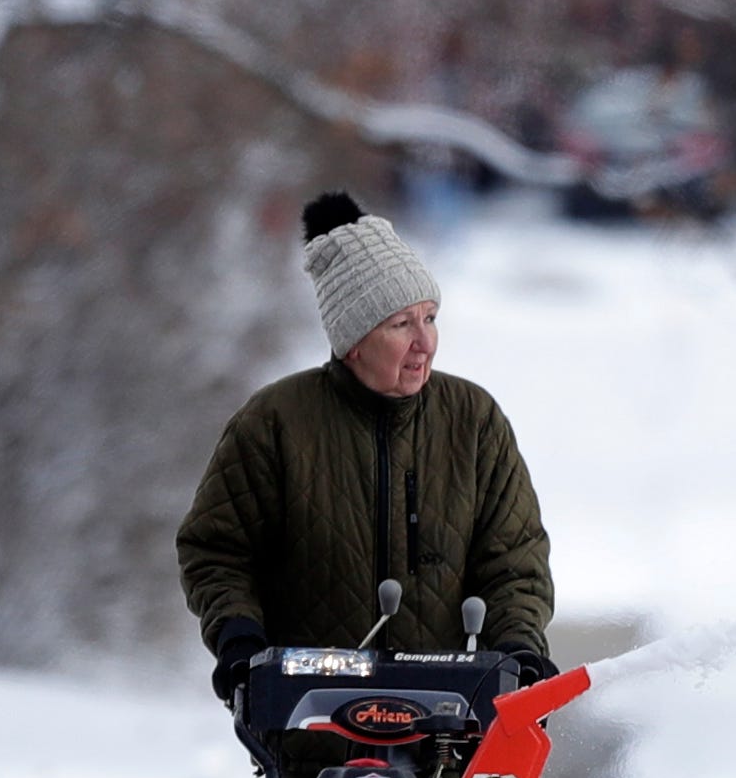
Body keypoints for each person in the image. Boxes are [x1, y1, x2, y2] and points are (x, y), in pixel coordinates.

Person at [177, 190, 556, 697]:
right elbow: (217, 550)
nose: (425, 342)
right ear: (353, 341)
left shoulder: (473, 420)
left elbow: (514, 559)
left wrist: (517, 648)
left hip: (444, 724)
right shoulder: (275, 422)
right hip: (309, 724)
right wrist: (238, 637)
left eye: (430, 317)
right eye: (402, 324)